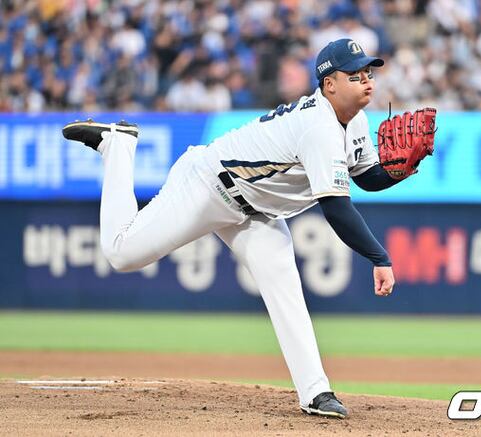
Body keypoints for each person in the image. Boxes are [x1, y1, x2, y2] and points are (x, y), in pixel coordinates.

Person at [62, 38, 404, 419]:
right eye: (355, 75)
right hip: (209, 185)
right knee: (120, 253)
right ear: (330, 85)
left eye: (368, 72)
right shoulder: (318, 128)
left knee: (284, 286)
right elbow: (337, 210)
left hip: (257, 212)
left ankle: (315, 392)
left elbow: (367, 176)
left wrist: (401, 170)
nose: (367, 80)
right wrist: (379, 257)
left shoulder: (356, 122)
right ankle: (118, 146)